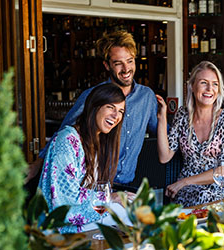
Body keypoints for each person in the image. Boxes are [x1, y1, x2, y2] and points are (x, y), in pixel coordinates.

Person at [27, 30, 158, 187]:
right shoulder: (93, 96)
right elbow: (62, 135)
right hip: (95, 185)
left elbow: (160, 132)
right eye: (118, 63)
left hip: (128, 184)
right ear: (107, 65)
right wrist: (36, 166)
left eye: (130, 61)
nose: (126, 69)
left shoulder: (147, 96)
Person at [39, 83, 126, 233]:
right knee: (127, 218)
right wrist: (109, 198)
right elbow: (64, 200)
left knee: (133, 213)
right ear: (94, 106)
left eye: (120, 111)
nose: (116, 116)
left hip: (85, 219)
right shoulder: (67, 140)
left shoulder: (100, 141)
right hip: (60, 227)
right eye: (111, 107)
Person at [157, 61, 224, 207]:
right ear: (192, 86)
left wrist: (184, 181)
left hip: (215, 189)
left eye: (215, 84)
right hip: (185, 192)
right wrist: (162, 117)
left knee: (206, 198)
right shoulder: (182, 115)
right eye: (203, 83)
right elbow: (164, 157)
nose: (210, 89)